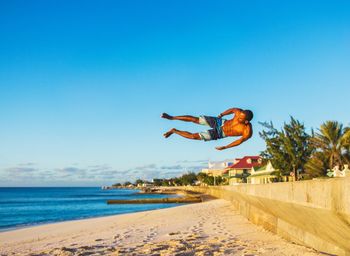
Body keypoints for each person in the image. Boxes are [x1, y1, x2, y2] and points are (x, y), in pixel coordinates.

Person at [161, 108, 253, 150]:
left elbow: (239, 141)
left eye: (241, 118)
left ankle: (174, 131)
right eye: (239, 116)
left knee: (193, 137)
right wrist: (222, 114)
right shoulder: (239, 113)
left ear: (246, 121)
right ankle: (172, 117)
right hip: (221, 122)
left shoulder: (247, 131)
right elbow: (233, 110)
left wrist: (226, 147)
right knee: (194, 119)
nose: (238, 117)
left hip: (220, 133)